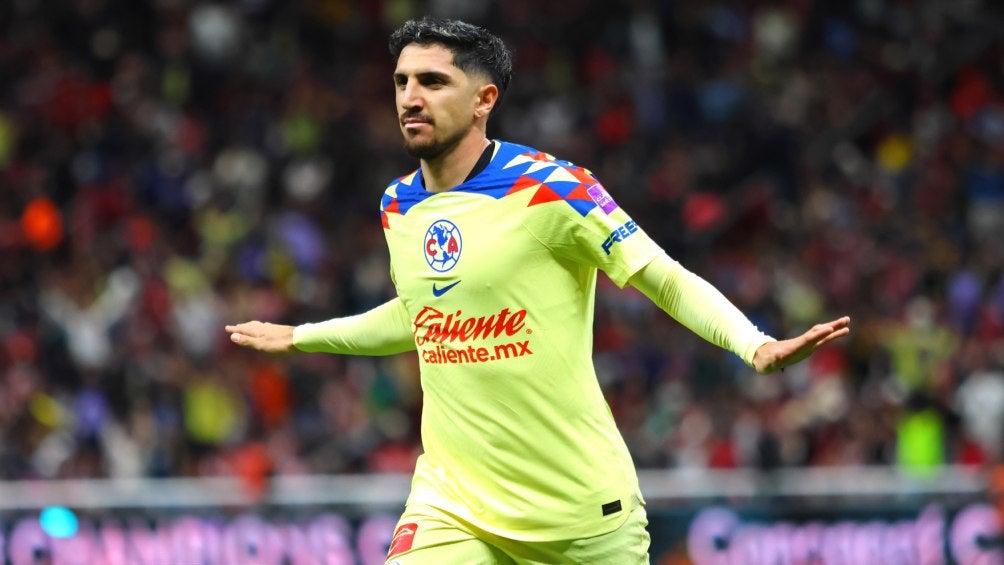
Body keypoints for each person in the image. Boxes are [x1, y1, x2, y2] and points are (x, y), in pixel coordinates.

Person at [225, 16, 851, 564]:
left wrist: (754, 344)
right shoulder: (398, 205)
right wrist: (303, 337)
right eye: (401, 82)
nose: (410, 98)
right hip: (454, 504)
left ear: (483, 99)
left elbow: (661, 276)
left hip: (577, 516)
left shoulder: (552, 188)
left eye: (433, 82)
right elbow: (424, 316)